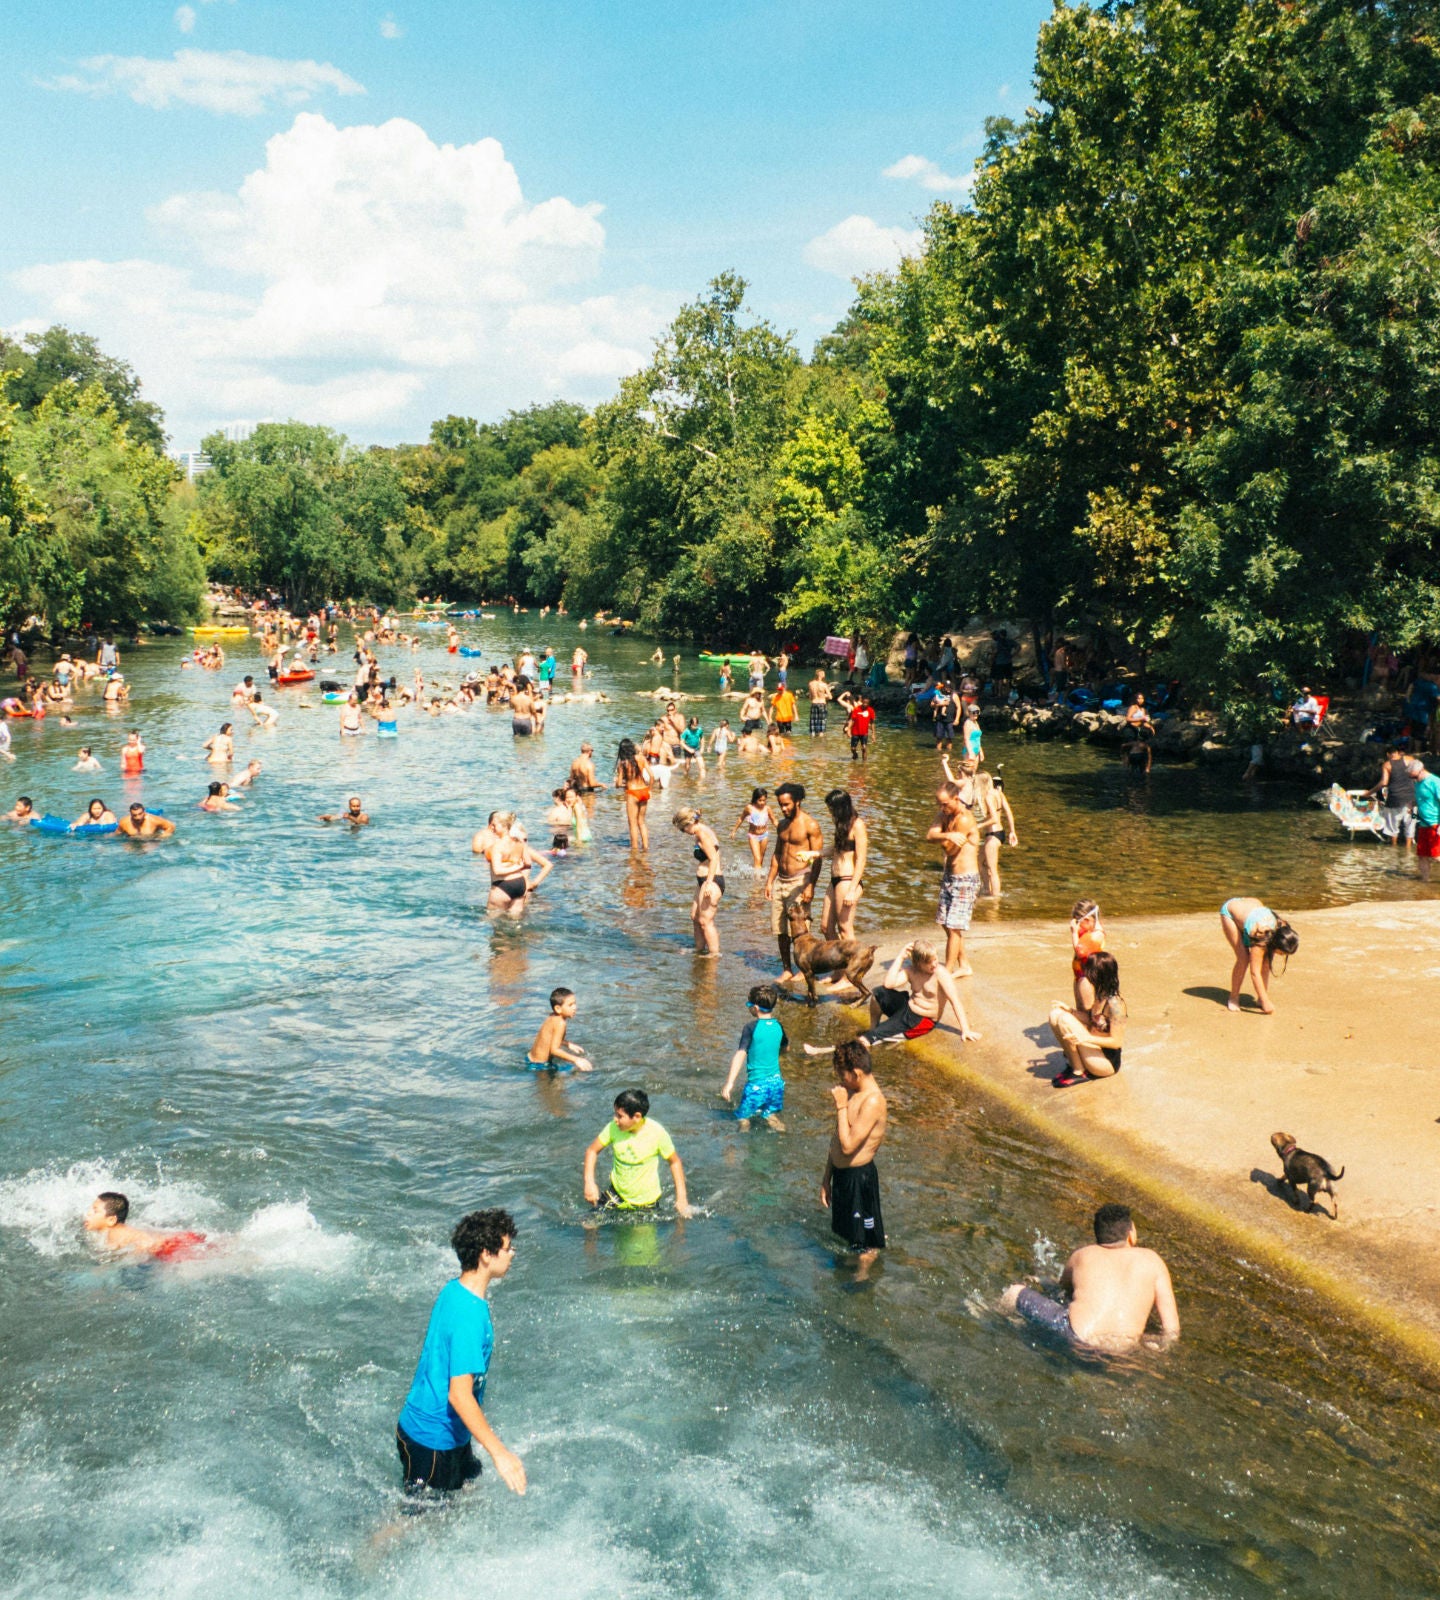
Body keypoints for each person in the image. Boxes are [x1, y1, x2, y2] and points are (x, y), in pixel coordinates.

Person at [396, 1208, 526, 1497]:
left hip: (443, 1433)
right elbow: (459, 1394)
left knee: (466, 1492)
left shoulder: (454, 1290)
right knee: (412, 1522)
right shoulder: (470, 1317)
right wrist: (499, 1453)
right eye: (507, 1248)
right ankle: (369, 1545)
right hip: (432, 1440)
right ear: (485, 1254)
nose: (512, 1254)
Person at [1000, 1203, 1180, 1351]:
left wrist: (1043, 1282)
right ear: (1131, 1235)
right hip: (1121, 1351)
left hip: (1075, 1338)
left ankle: (990, 1316)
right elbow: (1172, 1329)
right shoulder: (1153, 1261)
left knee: (1014, 1292)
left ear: (1098, 1236)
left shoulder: (1082, 1255)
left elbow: (1062, 1292)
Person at [807, 940, 978, 1053]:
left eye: (935, 959)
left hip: (921, 1020)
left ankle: (824, 1050)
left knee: (868, 1039)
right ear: (917, 962)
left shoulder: (940, 974)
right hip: (907, 1008)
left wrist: (965, 1030)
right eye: (929, 962)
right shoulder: (911, 970)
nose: (934, 964)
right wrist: (901, 955)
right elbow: (888, 984)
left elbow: (955, 1001)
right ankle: (875, 1028)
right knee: (878, 993)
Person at [821, 1039, 887, 1262]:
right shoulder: (852, 1091)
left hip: (859, 1180)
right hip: (842, 1178)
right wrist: (826, 1179)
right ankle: (845, 1278)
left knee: (865, 1246)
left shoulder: (873, 1102)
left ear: (856, 1073)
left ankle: (862, 1283)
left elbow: (849, 1146)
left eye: (843, 1076)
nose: (841, 1081)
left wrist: (841, 1106)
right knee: (845, 1238)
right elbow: (836, 1139)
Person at [583, 1089, 693, 1215]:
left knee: (641, 1234)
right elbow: (592, 1151)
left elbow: (675, 1162)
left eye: (620, 1116)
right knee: (589, 1222)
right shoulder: (613, 1128)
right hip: (616, 1193)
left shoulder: (657, 1133)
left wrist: (681, 1198)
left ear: (636, 1117)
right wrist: (589, 1182)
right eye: (615, 1114)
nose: (615, 1119)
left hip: (646, 1202)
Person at [765, 782, 824, 979]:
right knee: (780, 930)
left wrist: (811, 886)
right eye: (781, 805)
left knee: (801, 930)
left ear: (797, 801)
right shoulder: (781, 825)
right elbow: (776, 854)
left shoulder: (810, 825)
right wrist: (769, 881)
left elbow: (817, 858)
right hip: (781, 882)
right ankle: (787, 969)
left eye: (787, 804)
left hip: (800, 881)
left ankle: (806, 970)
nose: (783, 809)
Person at [929, 772, 982, 976]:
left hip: (965, 879)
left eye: (945, 804)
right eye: (939, 805)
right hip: (950, 876)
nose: (942, 809)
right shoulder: (945, 816)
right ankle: (964, 964)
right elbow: (929, 835)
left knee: (953, 927)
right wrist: (947, 834)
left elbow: (950, 850)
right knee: (945, 922)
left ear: (956, 799)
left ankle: (948, 971)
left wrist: (942, 837)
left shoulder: (964, 819)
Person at [1049, 951, 1126, 1087]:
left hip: (1105, 1063)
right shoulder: (1100, 995)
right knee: (1056, 1014)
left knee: (1065, 1020)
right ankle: (1075, 1066)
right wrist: (1070, 1010)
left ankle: (1079, 1072)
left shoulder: (1116, 1005)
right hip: (1093, 1051)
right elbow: (1092, 1019)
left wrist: (1085, 1039)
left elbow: (1116, 1042)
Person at [720, 983, 787, 1131]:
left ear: (755, 1008)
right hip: (776, 1084)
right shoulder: (779, 1026)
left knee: (743, 1117)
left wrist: (729, 1083)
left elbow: (741, 1054)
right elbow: (785, 1047)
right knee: (770, 1115)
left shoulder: (751, 1028)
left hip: (757, 1085)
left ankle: (737, 1151)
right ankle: (783, 1133)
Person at [1220, 897, 1299, 1013]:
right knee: (1243, 958)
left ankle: (1261, 998)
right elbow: (1255, 972)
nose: (1281, 956)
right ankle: (1233, 997)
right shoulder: (1262, 939)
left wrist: (1262, 999)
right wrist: (1266, 1002)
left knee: (1266, 962)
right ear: (1276, 943)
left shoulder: (1283, 927)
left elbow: (1265, 966)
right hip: (1231, 911)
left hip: (1251, 908)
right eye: (1282, 953)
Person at [84, 1191, 206, 1260]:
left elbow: (147, 1243)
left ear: (111, 1220)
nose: (88, 1213)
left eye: (95, 1211)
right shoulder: (122, 1230)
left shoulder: (114, 1234)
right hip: (178, 1239)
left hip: (171, 1248)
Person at [674, 807, 723, 956]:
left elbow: (714, 858)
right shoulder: (700, 829)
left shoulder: (701, 833)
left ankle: (714, 954)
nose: (684, 833)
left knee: (705, 921)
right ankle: (699, 950)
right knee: (695, 917)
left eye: (683, 829)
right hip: (702, 880)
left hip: (712, 881)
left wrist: (708, 883)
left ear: (688, 824)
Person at [822, 789, 867, 942]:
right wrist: (813, 854)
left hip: (847, 881)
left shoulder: (858, 825)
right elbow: (836, 849)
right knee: (826, 928)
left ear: (841, 808)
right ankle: (840, 965)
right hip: (835, 880)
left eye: (832, 809)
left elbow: (861, 860)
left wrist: (852, 890)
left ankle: (855, 964)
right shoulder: (841, 825)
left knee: (845, 929)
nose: (830, 813)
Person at [485, 817, 552, 913]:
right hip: (522, 888)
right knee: (517, 920)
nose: (524, 842)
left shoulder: (521, 849)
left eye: (526, 840)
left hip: (515, 888)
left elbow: (547, 865)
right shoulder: (521, 849)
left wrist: (534, 883)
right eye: (522, 839)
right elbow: (543, 864)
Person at [1363, 743, 1422, 848]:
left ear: (1388, 754)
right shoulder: (1410, 759)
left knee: (1392, 826)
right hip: (1412, 801)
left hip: (1395, 800)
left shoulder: (1387, 765)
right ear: (1398, 752)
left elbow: (1384, 783)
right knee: (1411, 824)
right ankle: (1408, 848)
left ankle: (1393, 848)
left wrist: (1369, 793)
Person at [527, 987, 594, 1071]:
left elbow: (550, 1038)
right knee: (578, 1073)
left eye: (575, 1003)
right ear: (558, 1009)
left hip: (530, 1059)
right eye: (570, 1005)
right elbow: (554, 1050)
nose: (575, 1007)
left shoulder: (552, 1017)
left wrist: (568, 1044)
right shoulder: (561, 1023)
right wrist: (576, 1059)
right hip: (540, 1066)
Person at [974, 770, 1018, 897]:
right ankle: (987, 889)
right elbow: (1009, 813)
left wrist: (978, 826)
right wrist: (1012, 832)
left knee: (992, 870)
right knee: (979, 861)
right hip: (1000, 833)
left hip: (992, 835)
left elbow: (994, 819)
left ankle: (995, 898)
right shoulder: (999, 793)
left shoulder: (987, 797)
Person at [615, 738, 651, 850]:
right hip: (644, 791)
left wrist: (619, 783)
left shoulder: (623, 764)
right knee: (642, 822)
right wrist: (650, 789)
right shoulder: (641, 758)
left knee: (633, 824)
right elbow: (652, 776)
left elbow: (619, 784)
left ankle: (634, 850)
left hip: (633, 793)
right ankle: (645, 848)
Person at [732, 787, 776, 870]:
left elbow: (774, 821)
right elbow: (741, 818)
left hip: (764, 835)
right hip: (753, 836)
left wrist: (782, 829)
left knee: (761, 859)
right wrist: (734, 831)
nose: (762, 803)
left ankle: (757, 874)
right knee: (757, 859)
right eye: (760, 800)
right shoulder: (749, 808)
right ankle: (757, 881)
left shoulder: (767, 809)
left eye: (764, 800)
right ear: (755, 799)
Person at [1414, 761, 1440, 883]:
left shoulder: (1435, 782)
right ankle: (1425, 881)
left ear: (1421, 771)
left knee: (1436, 856)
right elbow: (1420, 798)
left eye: (1414, 776)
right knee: (1422, 855)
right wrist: (1412, 804)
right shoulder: (1417, 782)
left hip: (1435, 824)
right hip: (1423, 824)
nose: (1414, 780)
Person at [845, 695, 875, 760]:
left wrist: (873, 734)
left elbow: (872, 723)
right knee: (853, 748)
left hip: (864, 733)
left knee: (864, 748)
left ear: (868, 704)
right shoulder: (856, 709)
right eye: (864, 702)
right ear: (862, 702)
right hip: (855, 732)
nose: (865, 704)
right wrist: (848, 730)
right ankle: (855, 754)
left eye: (866, 703)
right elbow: (852, 720)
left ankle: (864, 764)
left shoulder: (871, 710)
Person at [807, 667, 831, 735]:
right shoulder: (824, 684)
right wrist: (824, 695)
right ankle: (821, 741)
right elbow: (830, 697)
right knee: (822, 723)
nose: (824, 674)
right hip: (822, 703)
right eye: (823, 673)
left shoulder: (811, 683)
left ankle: (812, 740)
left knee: (813, 723)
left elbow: (810, 697)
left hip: (814, 703)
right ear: (821, 674)